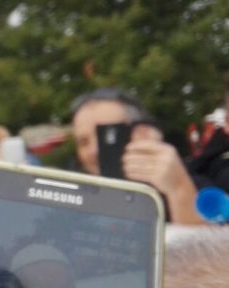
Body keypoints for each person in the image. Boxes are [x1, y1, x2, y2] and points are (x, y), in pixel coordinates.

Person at [70, 88, 204, 224]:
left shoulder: (194, 186)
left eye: (107, 135)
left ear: (142, 132)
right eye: (83, 142)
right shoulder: (70, 197)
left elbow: (205, 242)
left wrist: (179, 188)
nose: (94, 150)